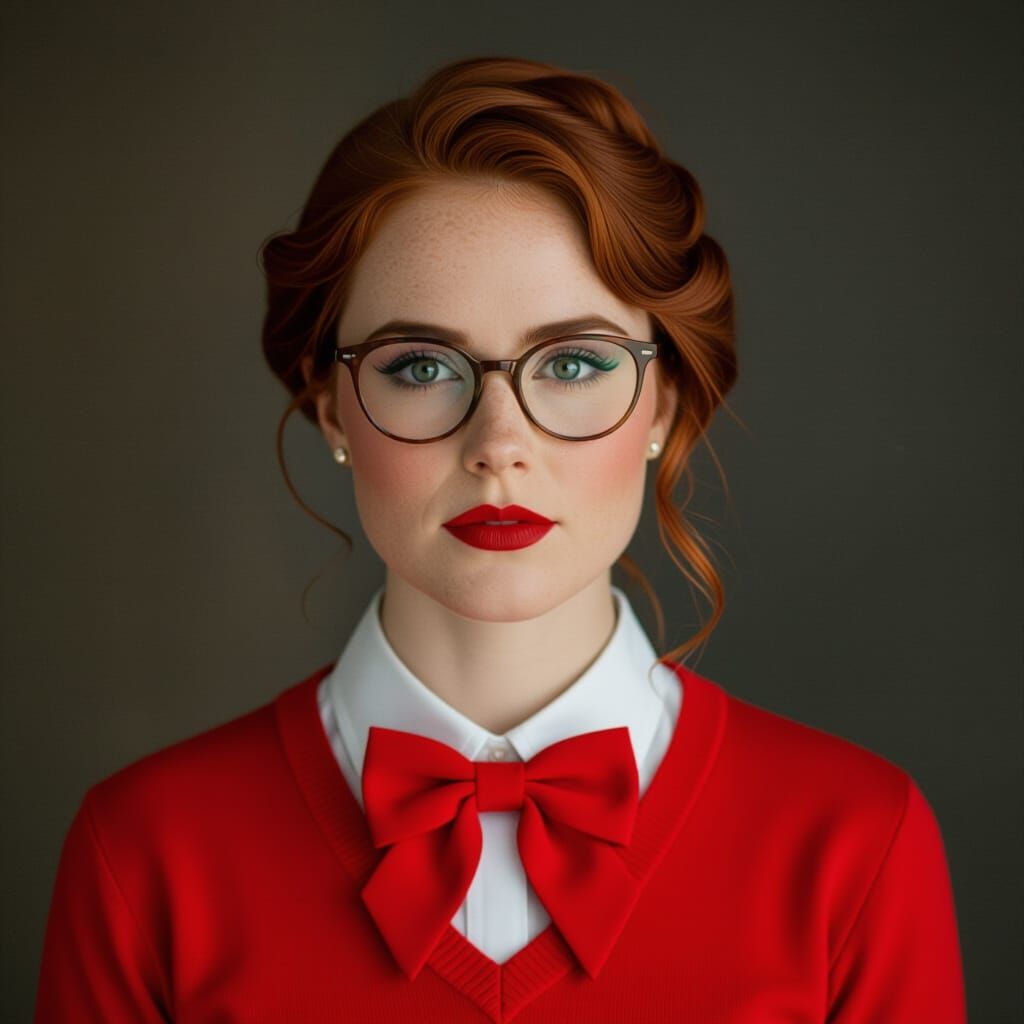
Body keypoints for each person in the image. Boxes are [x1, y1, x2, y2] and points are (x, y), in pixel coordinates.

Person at [34, 55, 968, 1022]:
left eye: (571, 361)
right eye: (421, 366)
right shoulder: (143, 850)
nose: (499, 446)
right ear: (329, 408)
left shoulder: (858, 839)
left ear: (664, 402)